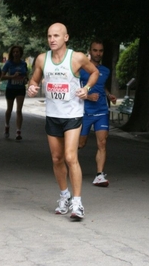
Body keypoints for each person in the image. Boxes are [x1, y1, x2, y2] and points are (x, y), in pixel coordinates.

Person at [27, 23, 99, 220]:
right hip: (52, 115)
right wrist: (32, 87)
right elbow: (33, 80)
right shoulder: (42, 59)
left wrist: (87, 88)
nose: (52, 39)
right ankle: (64, 195)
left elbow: (94, 72)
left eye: (56, 36)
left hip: (73, 114)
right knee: (57, 158)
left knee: (70, 157)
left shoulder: (76, 57)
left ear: (65, 38)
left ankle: (77, 202)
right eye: (49, 36)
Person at [79, 39, 117, 188]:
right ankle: (67, 163)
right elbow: (73, 90)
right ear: (90, 51)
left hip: (101, 111)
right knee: (80, 144)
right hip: (84, 111)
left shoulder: (105, 70)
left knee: (102, 143)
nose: (98, 53)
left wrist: (108, 95)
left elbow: (101, 86)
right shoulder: (81, 70)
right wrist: (88, 96)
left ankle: (99, 175)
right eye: (95, 50)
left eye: (100, 51)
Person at [0, 45, 28, 140]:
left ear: (20, 53)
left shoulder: (23, 64)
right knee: (9, 109)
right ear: (12, 53)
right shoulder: (8, 63)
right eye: (14, 52)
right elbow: (2, 77)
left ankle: (18, 132)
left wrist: (25, 79)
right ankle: (7, 126)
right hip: (11, 88)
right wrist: (12, 76)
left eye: (18, 52)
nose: (16, 53)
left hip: (20, 88)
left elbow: (26, 76)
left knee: (19, 110)